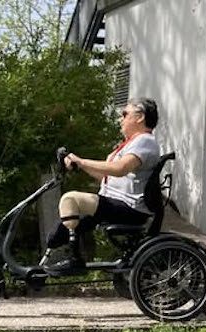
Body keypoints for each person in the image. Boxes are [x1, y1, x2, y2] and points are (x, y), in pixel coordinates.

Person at [43, 97, 161, 275]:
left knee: (70, 198)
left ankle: (75, 260)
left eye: (125, 114)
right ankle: (50, 259)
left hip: (128, 208)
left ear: (140, 117)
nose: (120, 119)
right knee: (56, 234)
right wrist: (80, 166)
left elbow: (120, 169)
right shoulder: (130, 144)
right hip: (116, 204)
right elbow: (107, 176)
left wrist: (82, 162)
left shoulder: (144, 141)